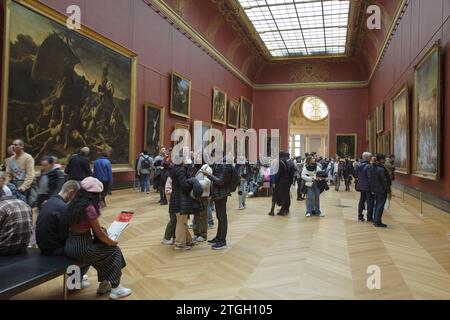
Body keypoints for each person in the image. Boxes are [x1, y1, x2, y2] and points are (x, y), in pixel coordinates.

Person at [64, 177, 132, 299]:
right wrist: (112, 242)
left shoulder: (73, 203)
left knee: (103, 256)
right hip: (83, 248)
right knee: (114, 251)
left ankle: (104, 285)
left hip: (70, 245)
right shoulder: (89, 209)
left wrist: (103, 235)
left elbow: (87, 227)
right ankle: (116, 289)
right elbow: (99, 234)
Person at [36, 180, 80, 255]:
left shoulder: (48, 202)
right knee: (83, 250)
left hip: (42, 247)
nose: (74, 200)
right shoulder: (63, 208)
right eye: (75, 196)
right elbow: (64, 236)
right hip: (53, 250)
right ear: (71, 192)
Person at [204, 157, 232, 250]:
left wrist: (208, 175)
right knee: (219, 217)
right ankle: (218, 238)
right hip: (217, 194)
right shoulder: (218, 164)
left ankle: (222, 241)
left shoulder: (225, 166)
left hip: (222, 194)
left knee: (222, 218)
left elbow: (220, 181)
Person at [168, 159, 197, 250]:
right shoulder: (180, 170)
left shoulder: (174, 169)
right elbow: (184, 185)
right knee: (181, 221)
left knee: (182, 221)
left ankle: (188, 240)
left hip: (176, 198)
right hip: (180, 199)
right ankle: (179, 244)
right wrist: (192, 181)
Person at [268, 151, 294, 216]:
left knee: (274, 196)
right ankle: (282, 211)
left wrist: (274, 182)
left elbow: (277, 174)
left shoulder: (279, 162)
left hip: (280, 182)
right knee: (284, 196)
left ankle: (272, 211)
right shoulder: (285, 162)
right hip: (286, 181)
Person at [370, 154, 392, 228]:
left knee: (377, 205)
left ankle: (376, 220)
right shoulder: (381, 169)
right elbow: (385, 181)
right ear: (381, 159)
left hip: (376, 189)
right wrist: (388, 191)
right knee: (380, 205)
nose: (385, 160)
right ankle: (377, 221)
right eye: (384, 158)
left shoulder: (373, 167)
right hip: (381, 190)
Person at [192, 164, 212, 242]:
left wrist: (195, 184)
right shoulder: (195, 168)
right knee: (196, 214)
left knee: (203, 215)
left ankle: (203, 234)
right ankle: (196, 233)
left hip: (204, 195)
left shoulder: (207, 168)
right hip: (196, 195)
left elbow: (208, 182)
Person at [354, 152, 374, 222]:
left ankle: (360, 216)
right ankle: (369, 217)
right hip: (367, 186)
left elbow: (355, 175)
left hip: (360, 185)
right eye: (370, 157)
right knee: (369, 202)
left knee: (361, 201)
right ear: (367, 158)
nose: (371, 158)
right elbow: (370, 178)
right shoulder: (368, 166)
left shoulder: (358, 165)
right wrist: (372, 187)